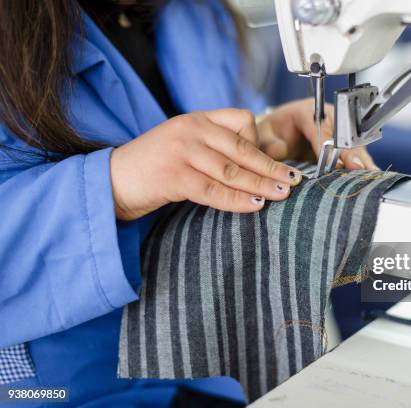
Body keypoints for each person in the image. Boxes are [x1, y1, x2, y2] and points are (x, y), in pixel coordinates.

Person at [0, 1, 376, 406]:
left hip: (211, 367)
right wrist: (112, 186)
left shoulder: (194, 12)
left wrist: (260, 138)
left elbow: (200, 125)